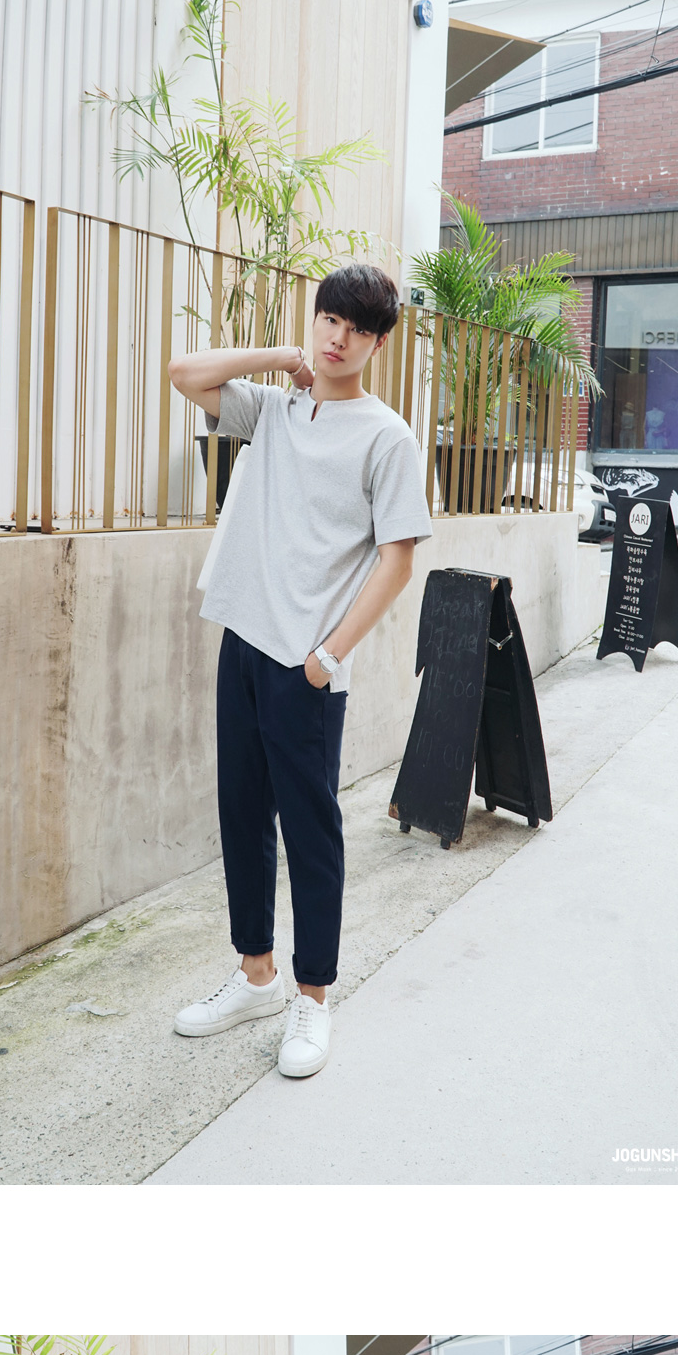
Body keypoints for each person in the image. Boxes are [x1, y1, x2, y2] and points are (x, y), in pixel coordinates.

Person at [170, 259, 431, 1080]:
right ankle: (257, 976)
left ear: (379, 343)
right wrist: (279, 356)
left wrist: (327, 657)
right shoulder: (277, 409)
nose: (338, 338)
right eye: (329, 319)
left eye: (357, 328)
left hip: (307, 666)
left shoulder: (387, 437)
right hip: (244, 640)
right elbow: (183, 373)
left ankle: (312, 997)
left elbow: (398, 560)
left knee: (311, 834)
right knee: (241, 813)